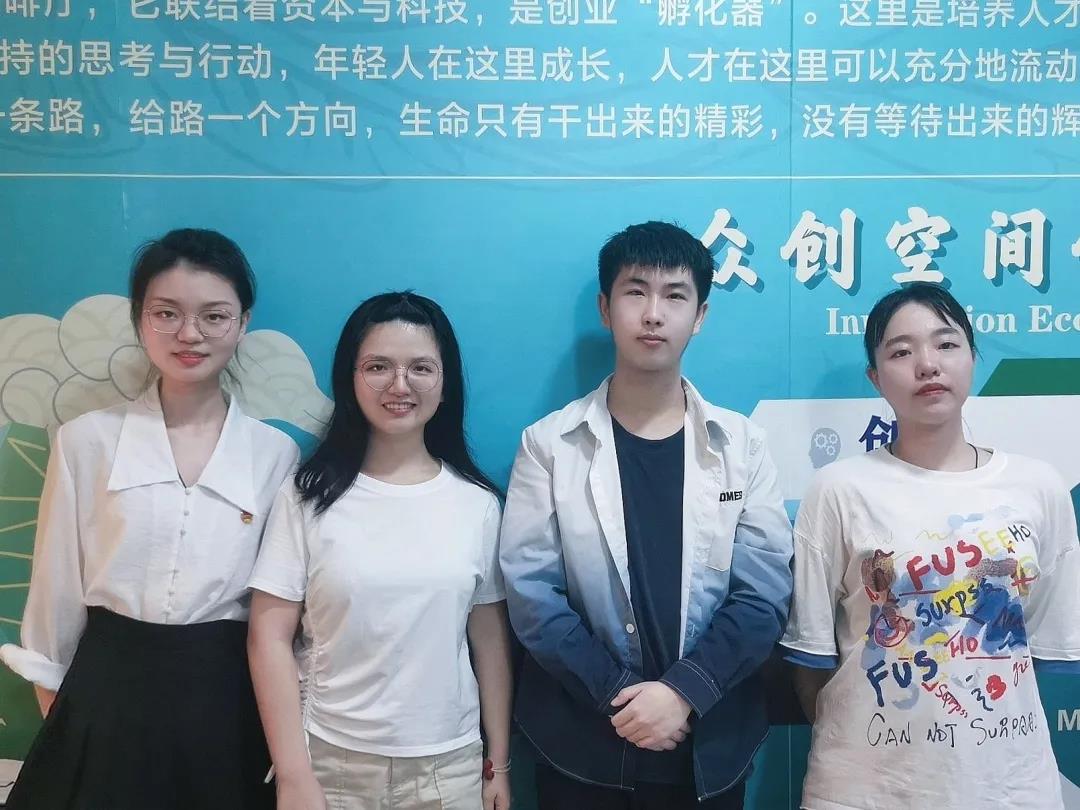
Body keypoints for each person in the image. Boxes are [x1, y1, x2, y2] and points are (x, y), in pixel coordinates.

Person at [0, 228, 299, 809]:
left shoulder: (274, 455)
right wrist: (68, 720)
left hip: (226, 701)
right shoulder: (87, 441)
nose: (190, 333)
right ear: (140, 319)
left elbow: (281, 611)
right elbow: (56, 591)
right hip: (104, 694)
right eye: (167, 313)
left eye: (214, 315)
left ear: (242, 323)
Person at [499, 221, 794, 809]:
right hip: (582, 746)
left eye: (675, 295)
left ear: (700, 315)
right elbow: (532, 597)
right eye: (635, 292)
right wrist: (622, 696)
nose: (653, 314)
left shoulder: (742, 445)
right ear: (605, 309)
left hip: (709, 745)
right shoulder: (550, 444)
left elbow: (764, 595)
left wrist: (683, 693)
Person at [782, 282, 1080, 810]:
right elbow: (811, 657)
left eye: (946, 344)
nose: (927, 365)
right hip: (863, 789)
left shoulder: (1038, 487)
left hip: (1008, 788)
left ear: (972, 358)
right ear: (876, 378)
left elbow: (1037, 642)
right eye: (901, 352)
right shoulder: (838, 490)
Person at [247, 291, 513, 810]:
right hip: (330, 763)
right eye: (378, 367)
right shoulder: (306, 496)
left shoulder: (477, 504)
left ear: (445, 383)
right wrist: (293, 775)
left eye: (421, 368)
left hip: (449, 770)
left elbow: (490, 640)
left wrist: (498, 763)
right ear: (350, 377)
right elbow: (268, 637)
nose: (400, 385)